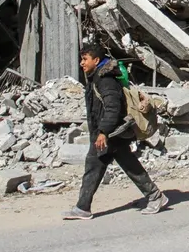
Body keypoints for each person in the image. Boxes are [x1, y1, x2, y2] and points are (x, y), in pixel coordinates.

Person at [63, 44, 168, 220]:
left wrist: (103, 131)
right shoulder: (97, 77)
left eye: (85, 59)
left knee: (108, 165)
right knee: (103, 166)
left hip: (111, 133)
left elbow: (113, 107)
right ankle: (83, 207)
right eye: (82, 59)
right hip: (108, 133)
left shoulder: (105, 80)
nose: (82, 63)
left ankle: (155, 197)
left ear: (96, 61)